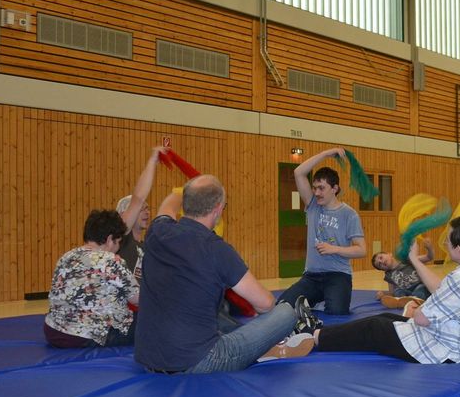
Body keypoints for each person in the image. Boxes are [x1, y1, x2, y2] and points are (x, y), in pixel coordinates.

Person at [134, 175, 313, 374]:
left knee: (207, 308)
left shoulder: (158, 230)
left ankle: (262, 346)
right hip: (199, 362)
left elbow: (167, 204)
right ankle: (270, 346)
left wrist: (181, 194)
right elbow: (265, 303)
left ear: (186, 204)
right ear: (218, 209)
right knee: (286, 312)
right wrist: (268, 327)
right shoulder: (217, 249)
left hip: (148, 358)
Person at [309, 217, 460, 363]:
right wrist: (413, 260)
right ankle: (322, 332)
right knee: (387, 318)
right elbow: (442, 288)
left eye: (447, 241)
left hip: (455, 350)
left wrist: (414, 309)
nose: (445, 243)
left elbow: (421, 319)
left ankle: (315, 337)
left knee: (376, 327)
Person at [278, 147, 366, 315]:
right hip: (312, 276)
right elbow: (298, 172)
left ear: (335, 189)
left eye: (322, 188)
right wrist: (326, 154)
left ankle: (320, 300)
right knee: (283, 306)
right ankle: (315, 299)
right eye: (315, 188)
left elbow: (362, 250)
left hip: (338, 275)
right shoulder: (312, 206)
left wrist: (335, 249)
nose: (316, 192)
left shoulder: (349, 214)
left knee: (337, 312)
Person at [43, 209, 140, 348]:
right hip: (85, 335)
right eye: (118, 242)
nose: (118, 248)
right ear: (109, 239)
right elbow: (138, 299)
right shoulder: (110, 260)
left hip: (53, 331)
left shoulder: (66, 256)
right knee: (149, 322)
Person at [115, 146, 169, 276]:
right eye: (141, 210)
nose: (147, 212)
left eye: (148, 209)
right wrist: (152, 162)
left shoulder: (148, 247)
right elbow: (138, 197)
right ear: (124, 214)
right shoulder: (121, 240)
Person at [372, 238, 435, 307]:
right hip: (407, 293)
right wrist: (383, 294)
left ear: (389, 254)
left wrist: (429, 248)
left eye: (381, 257)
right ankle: (406, 301)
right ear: (383, 269)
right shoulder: (388, 275)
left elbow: (429, 257)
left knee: (420, 289)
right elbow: (392, 292)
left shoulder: (407, 260)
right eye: (379, 264)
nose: (382, 262)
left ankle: (411, 301)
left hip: (420, 286)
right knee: (398, 291)